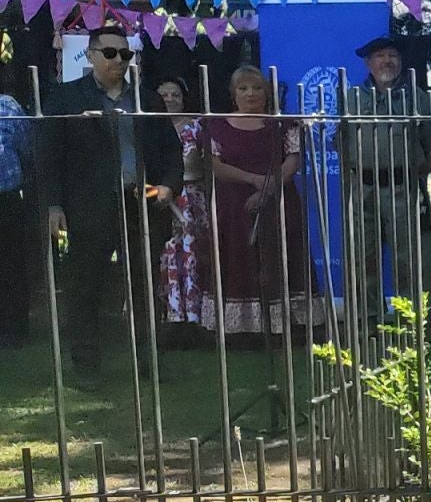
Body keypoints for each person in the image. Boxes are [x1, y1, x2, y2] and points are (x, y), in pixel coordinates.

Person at [37, 26, 183, 377]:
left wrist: (168, 186)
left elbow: (170, 150)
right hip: (88, 204)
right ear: (90, 55)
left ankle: (150, 363)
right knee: (86, 286)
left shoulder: (147, 100)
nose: (119, 60)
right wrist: (54, 205)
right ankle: (86, 365)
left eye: (126, 54)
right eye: (110, 53)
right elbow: (49, 156)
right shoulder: (66, 99)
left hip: (141, 202)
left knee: (145, 287)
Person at [201, 66, 312, 337]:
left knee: (280, 255)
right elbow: (213, 164)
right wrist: (253, 180)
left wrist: (267, 190)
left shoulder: (284, 124)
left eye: (257, 88)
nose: (251, 93)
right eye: (243, 88)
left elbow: (293, 160)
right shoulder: (216, 125)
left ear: (267, 92)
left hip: (279, 202)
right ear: (233, 94)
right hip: (232, 206)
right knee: (236, 257)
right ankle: (240, 330)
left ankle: (284, 328)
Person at [340, 33, 431, 317]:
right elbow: (342, 140)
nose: (387, 61)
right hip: (363, 187)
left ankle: (414, 319)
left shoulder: (416, 97)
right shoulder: (353, 98)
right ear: (369, 63)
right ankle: (368, 319)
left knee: (411, 257)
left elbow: (430, 140)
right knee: (363, 257)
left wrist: (419, 168)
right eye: (380, 56)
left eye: (393, 55)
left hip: (403, 186)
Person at [155, 77, 209, 345]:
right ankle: (168, 319)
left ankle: (195, 320)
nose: (169, 99)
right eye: (163, 94)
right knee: (166, 256)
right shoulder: (149, 123)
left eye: (175, 94)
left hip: (192, 197)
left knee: (192, 256)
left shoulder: (197, 125)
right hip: (159, 195)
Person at [0, 92, 33, 347]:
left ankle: (14, 329)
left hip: (7, 197)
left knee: (11, 262)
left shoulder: (9, 106)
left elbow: (28, 147)